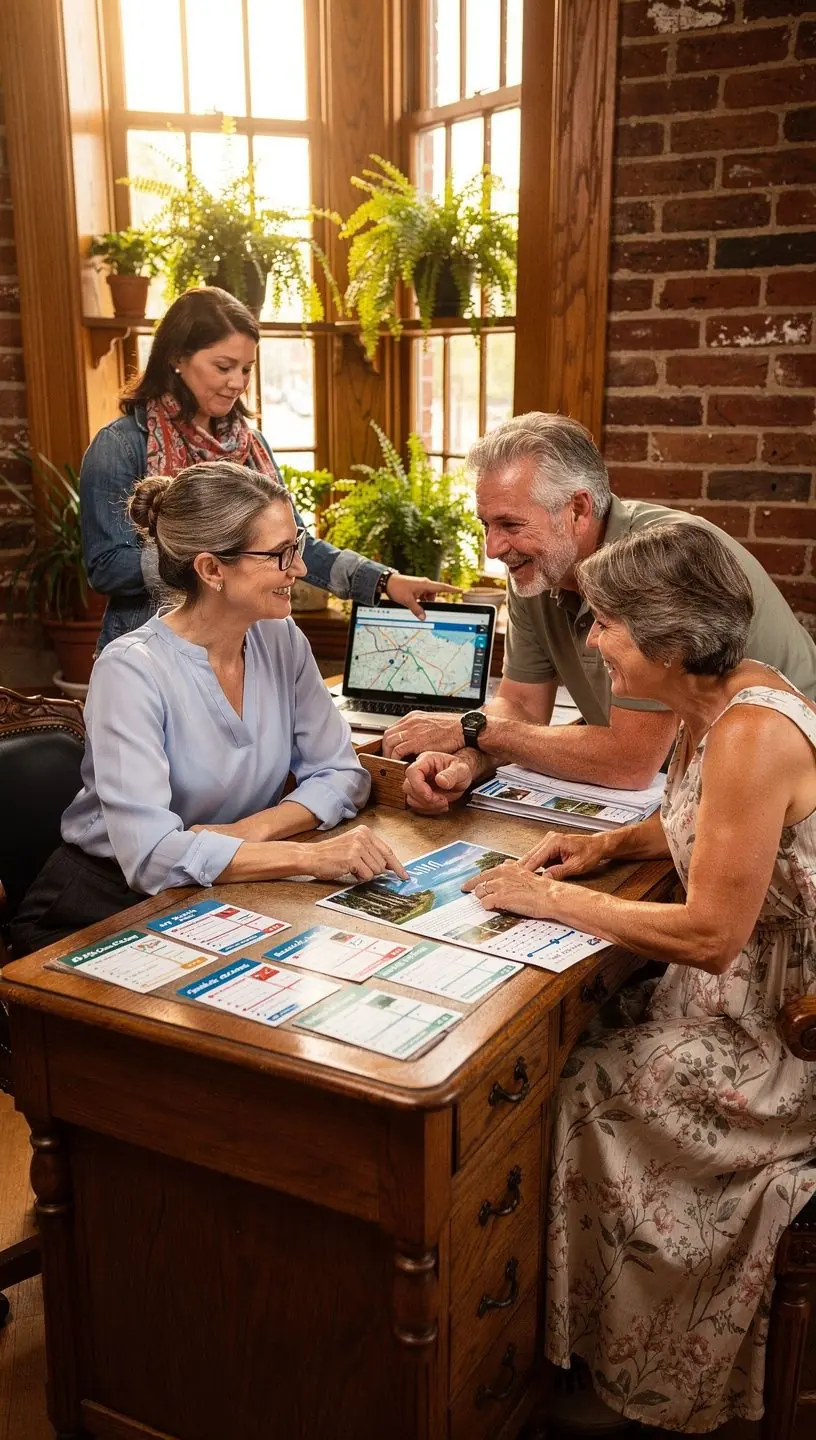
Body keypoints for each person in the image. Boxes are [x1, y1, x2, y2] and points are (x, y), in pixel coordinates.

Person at [457, 523, 816, 1434]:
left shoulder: (750, 733)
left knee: (582, 1082)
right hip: (739, 992)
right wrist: (606, 843)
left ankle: (634, 1370)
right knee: (575, 1033)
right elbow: (702, 824)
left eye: (607, 625)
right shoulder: (722, 705)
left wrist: (551, 901)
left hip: (776, 1030)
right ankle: (584, 1338)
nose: (590, 642)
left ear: (666, 640)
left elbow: (707, 934)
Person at [11, 461, 408, 957]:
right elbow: (153, 857)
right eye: (280, 555)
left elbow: (342, 773)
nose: (300, 570)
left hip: (225, 888)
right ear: (211, 569)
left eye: (297, 545)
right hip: (100, 907)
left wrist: (254, 830)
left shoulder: (280, 637)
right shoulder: (130, 671)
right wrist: (307, 856)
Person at [383, 412, 816, 812]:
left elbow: (629, 762)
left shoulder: (655, 561)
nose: (493, 548)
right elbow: (520, 706)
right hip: (675, 796)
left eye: (510, 525)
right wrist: (468, 761)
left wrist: (471, 729)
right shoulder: (538, 565)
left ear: (578, 509)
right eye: (486, 525)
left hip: (783, 799)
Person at [81, 286, 455, 651]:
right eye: (223, 367)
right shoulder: (120, 445)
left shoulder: (250, 446)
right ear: (177, 357)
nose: (238, 383)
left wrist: (385, 581)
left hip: (237, 646)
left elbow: (292, 548)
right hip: (150, 649)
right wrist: (214, 555)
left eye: (246, 369)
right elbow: (107, 567)